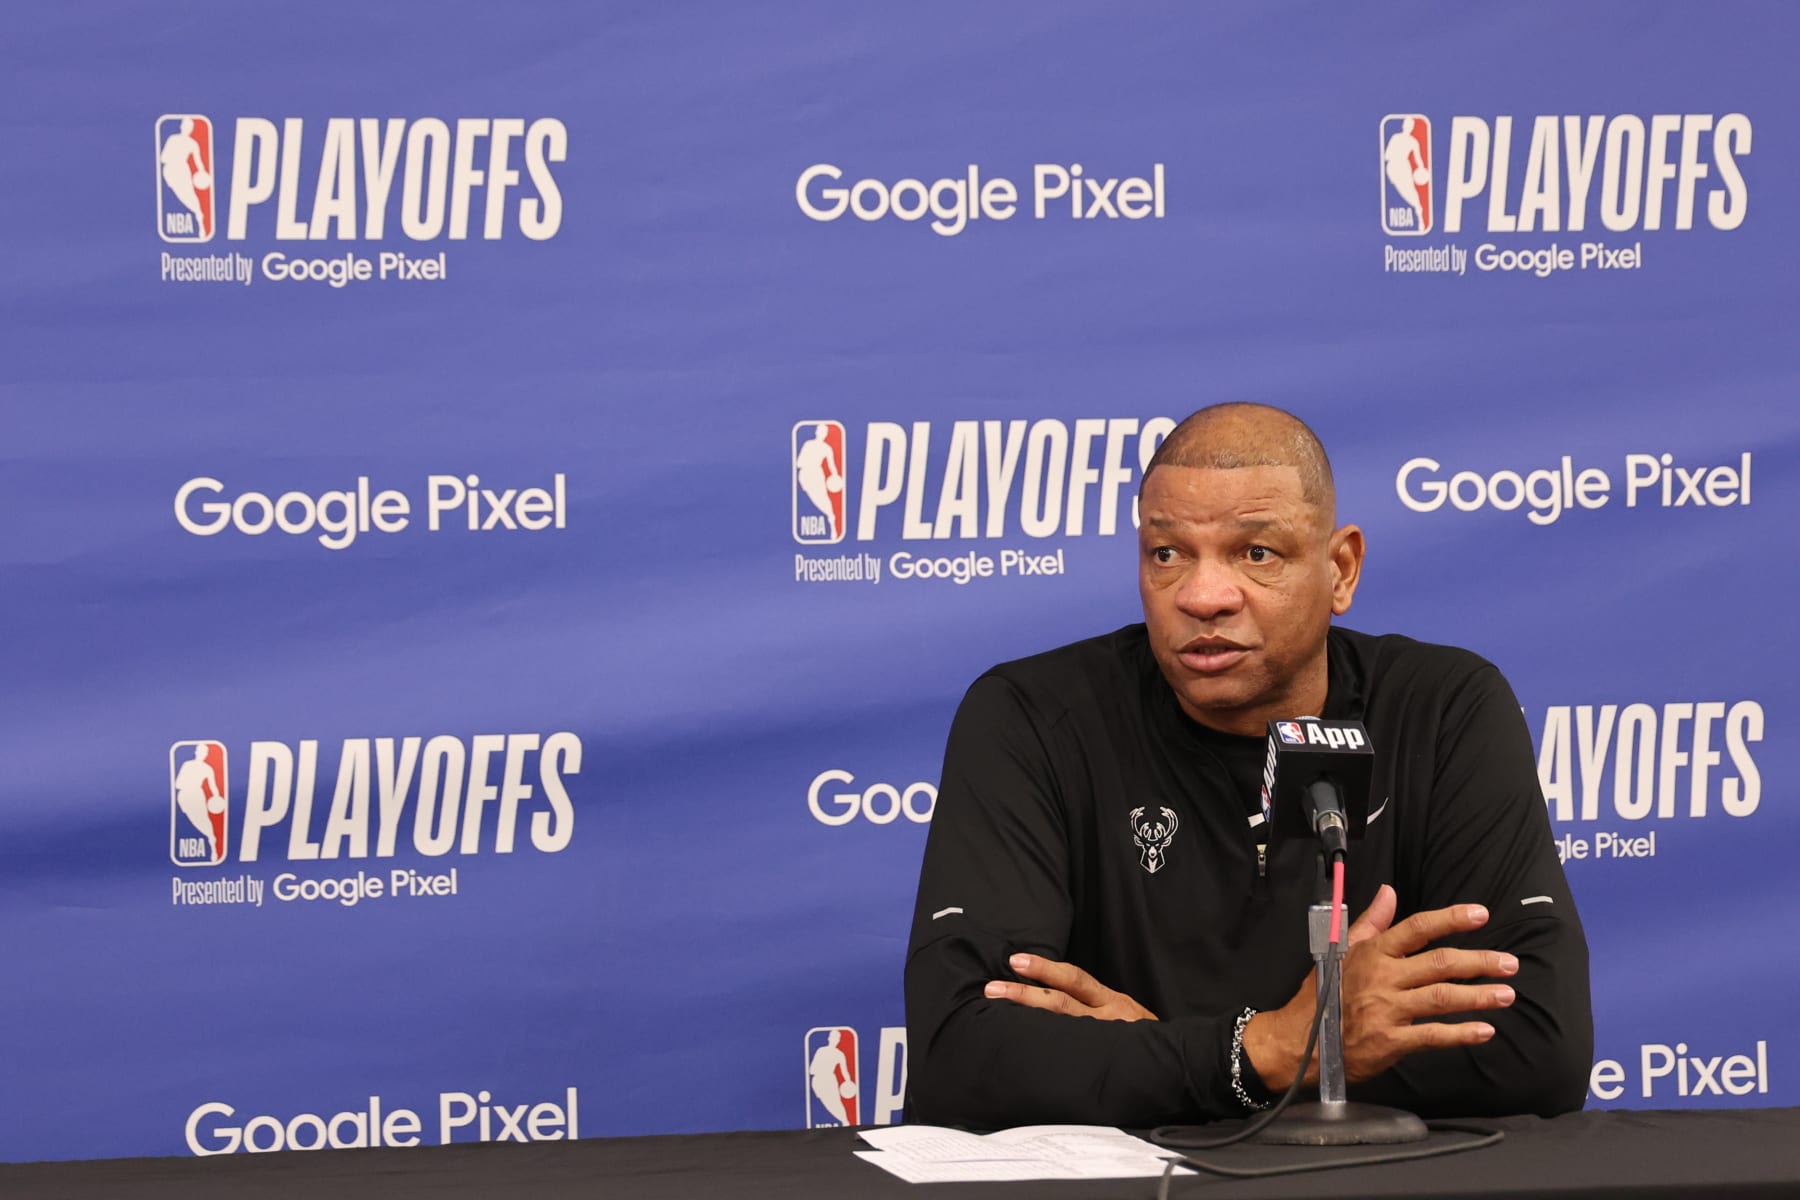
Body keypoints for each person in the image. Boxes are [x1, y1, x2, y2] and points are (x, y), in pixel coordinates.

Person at [903, 403, 1591, 1128]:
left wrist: (1157, 1057)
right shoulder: (1034, 718)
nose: (1202, 597)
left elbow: (1538, 1045)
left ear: (1340, 569)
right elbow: (961, 1058)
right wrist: (1268, 1048)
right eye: (1166, 554)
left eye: (1256, 553)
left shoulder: (1442, 710)